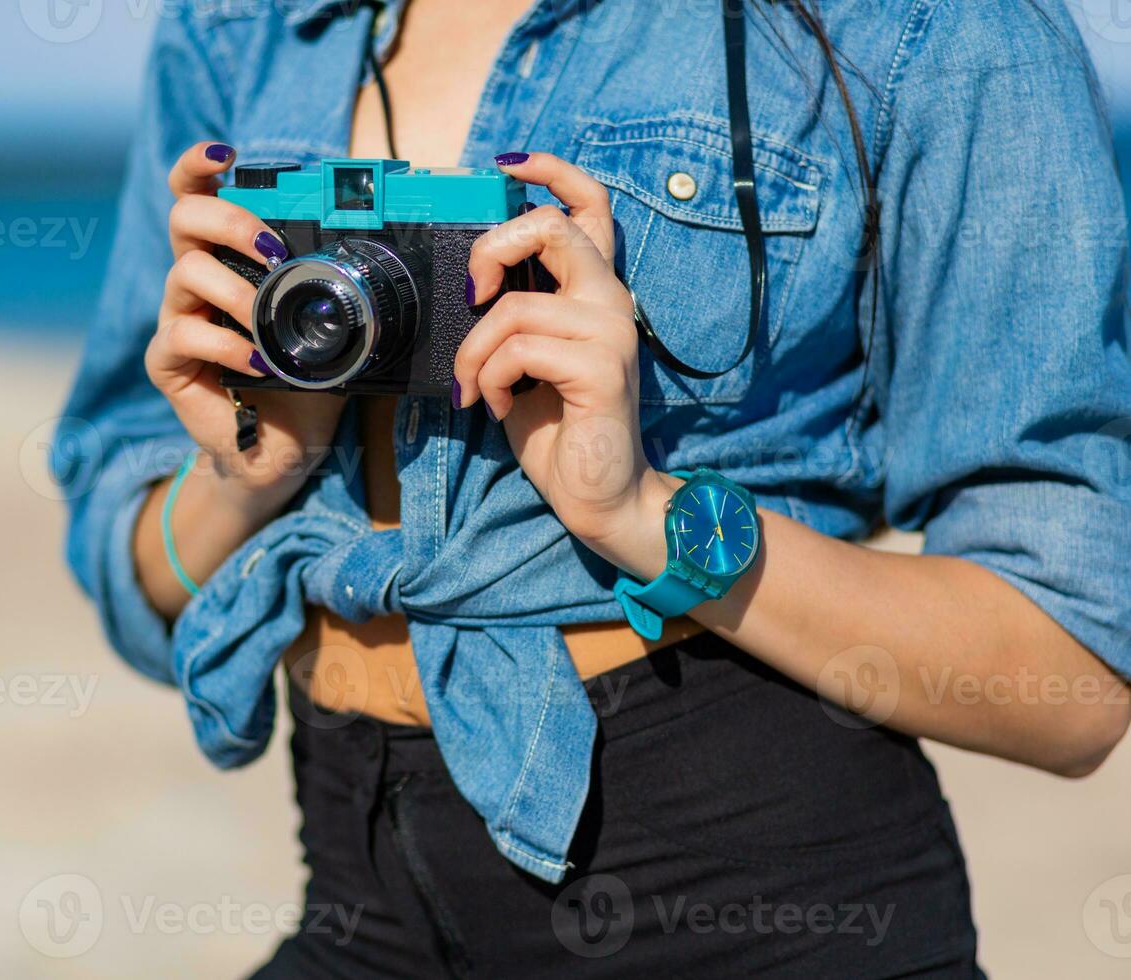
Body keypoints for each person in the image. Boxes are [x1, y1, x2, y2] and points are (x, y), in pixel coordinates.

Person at [55, 0, 1131, 975]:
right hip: (357, 885)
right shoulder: (243, 23)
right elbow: (129, 549)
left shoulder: (926, 32)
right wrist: (253, 467)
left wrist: (638, 511)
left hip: (748, 898)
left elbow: (1069, 679)